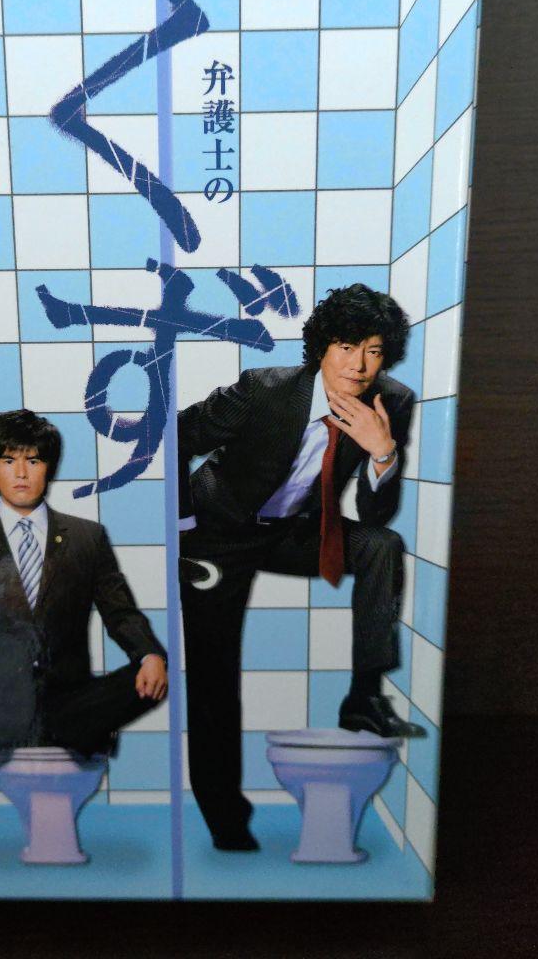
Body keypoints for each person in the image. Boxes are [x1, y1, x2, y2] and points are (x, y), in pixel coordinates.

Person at [177, 282, 426, 851]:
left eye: (373, 350)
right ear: (322, 349)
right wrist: (185, 525)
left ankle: (364, 699)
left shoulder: (392, 402)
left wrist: (383, 452)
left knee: (381, 544)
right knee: (214, 674)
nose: (359, 366)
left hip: (293, 532)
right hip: (219, 533)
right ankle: (225, 818)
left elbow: (376, 513)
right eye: (346, 347)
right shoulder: (263, 390)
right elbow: (175, 437)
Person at [0, 410, 168, 760]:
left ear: (49, 468)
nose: (21, 473)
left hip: (70, 694)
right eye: (8, 461)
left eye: (33, 461)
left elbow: (121, 613)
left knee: (148, 680)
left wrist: (149, 655)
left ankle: (0, 732)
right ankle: (72, 733)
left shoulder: (87, 537)